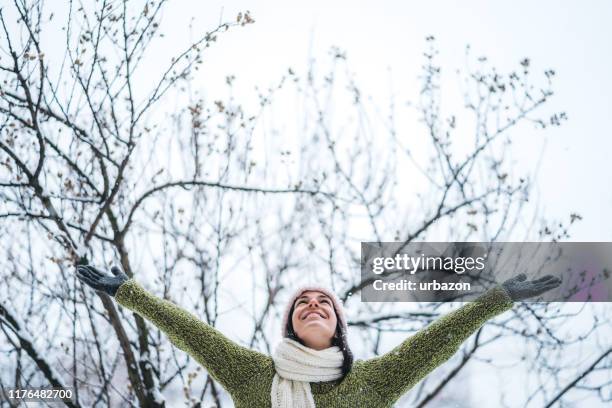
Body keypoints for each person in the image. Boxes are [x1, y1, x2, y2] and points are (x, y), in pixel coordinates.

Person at [76, 264, 560, 407]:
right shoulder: (255, 376)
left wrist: (499, 298)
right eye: (302, 303)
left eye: (324, 301)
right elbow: (193, 335)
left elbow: (437, 340)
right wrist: (130, 294)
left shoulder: (372, 382)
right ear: (290, 324)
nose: (313, 304)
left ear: (338, 327)